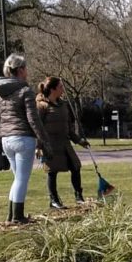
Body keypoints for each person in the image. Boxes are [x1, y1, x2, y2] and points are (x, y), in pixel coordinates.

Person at [0, 54, 52, 223]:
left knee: (17, 178)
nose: (27, 71)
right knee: (21, 179)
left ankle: (11, 215)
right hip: (23, 138)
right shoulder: (25, 91)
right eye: (25, 68)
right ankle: (17, 216)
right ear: (20, 70)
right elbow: (33, 119)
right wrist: (44, 140)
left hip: (6, 140)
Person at [36, 77, 89, 209]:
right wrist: (38, 146)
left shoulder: (64, 105)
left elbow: (69, 128)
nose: (62, 90)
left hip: (65, 143)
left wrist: (79, 140)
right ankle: (54, 200)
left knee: (76, 167)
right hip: (50, 144)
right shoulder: (41, 106)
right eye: (60, 87)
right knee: (52, 172)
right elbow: (37, 128)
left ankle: (79, 197)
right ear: (53, 89)